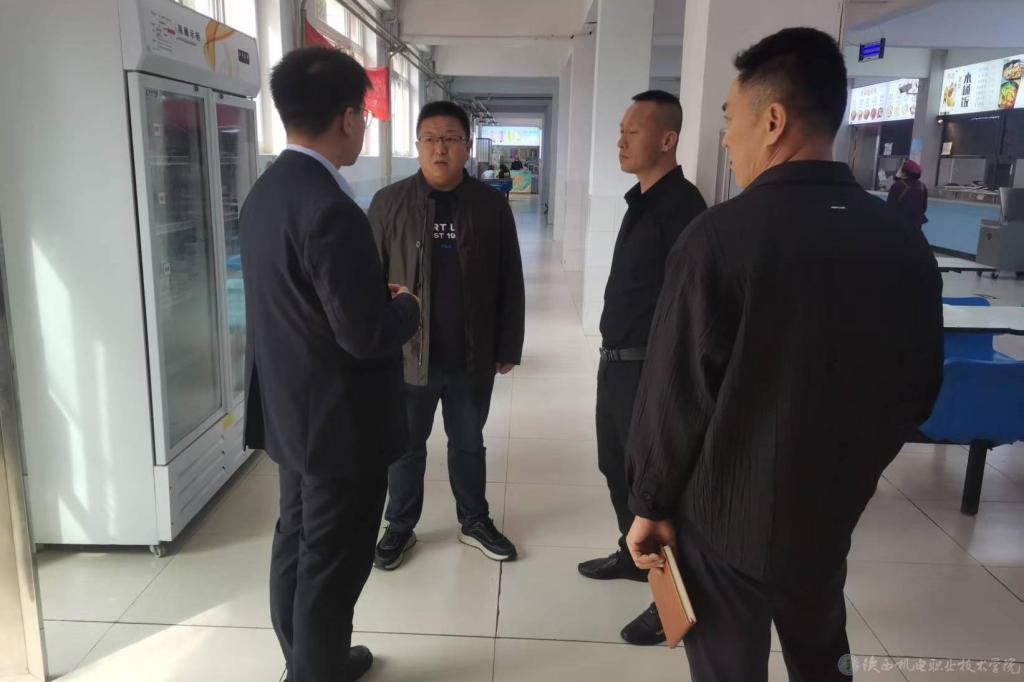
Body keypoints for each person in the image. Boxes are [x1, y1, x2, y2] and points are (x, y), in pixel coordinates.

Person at [625, 28, 943, 681]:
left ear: (772, 122)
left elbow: (677, 394)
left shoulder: (718, 239)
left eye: (730, 120)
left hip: (723, 521)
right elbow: (920, 390)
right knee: (822, 657)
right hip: (828, 517)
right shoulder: (902, 241)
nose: (726, 140)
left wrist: (649, 504)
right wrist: (847, 473)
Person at [240, 47, 421, 682]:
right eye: (364, 116)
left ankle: (306, 662)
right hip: (340, 425)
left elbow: (300, 303)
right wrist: (406, 307)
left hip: (290, 413)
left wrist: (368, 297)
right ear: (348, 117)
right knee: (333, 564)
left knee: (297, 541)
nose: (363, 127)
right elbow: (365, 336)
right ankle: (316, 672)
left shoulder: (265, 193)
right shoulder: (330, 208)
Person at [574, 90, 707, 646]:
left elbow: (689, 309)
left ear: (667, 139)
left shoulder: (684, 211)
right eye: (621, 130)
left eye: (633, 131)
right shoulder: (643, 201)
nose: (621, 140)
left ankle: (669, 594)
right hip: (617, 366)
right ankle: (632, 557)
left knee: (657, 484)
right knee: (616, 466)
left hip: (651, 373)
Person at [369, 101, 526, 570]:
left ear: (467, 146)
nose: (441, 148)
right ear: (417, 145)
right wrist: (372, 348)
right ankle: (400, 526)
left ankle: (474, 520)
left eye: (451, 139)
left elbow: (510, 280)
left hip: (470, 355)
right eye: (431, 139)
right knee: (405, 447)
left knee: (468, 442)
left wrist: (508, 344)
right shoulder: (388, 204)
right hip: (406, 355)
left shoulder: (490, 206)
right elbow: (367, 282)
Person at [887, 159, 928, 228]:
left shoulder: (897, 185)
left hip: (899, 223)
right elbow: (924, 207)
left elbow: (890, 206)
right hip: (916, 224)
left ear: (904, 172)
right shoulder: (922, 186)